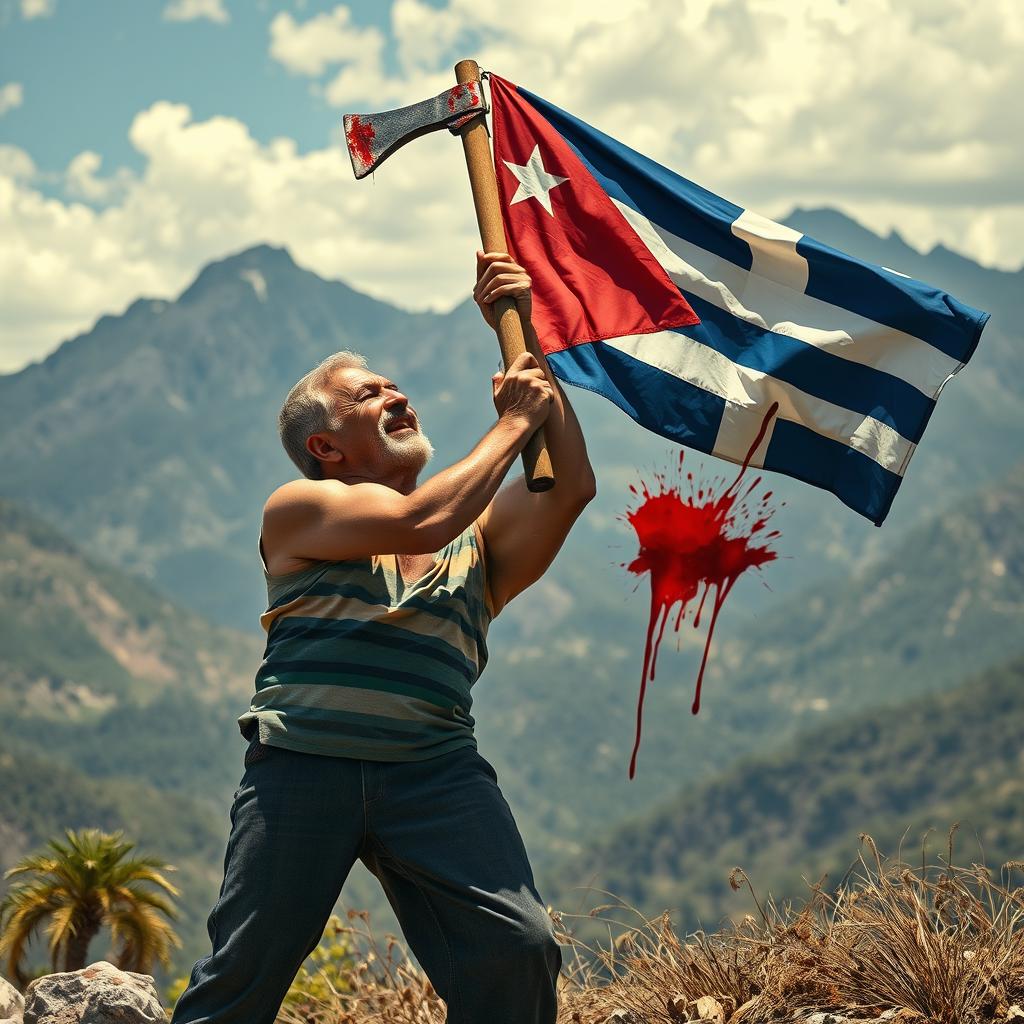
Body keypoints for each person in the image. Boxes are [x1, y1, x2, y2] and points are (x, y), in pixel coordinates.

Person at [170, 251, 597, 1024]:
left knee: (520, 949)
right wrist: (512, 421)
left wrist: (525, 337)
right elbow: (420, 517)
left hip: (437, 774)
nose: (397, 395)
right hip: (302, 766)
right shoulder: (298, 511)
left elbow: (569, 488)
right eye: (369, 396)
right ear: (325, 448)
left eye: (396, 387)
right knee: (245, 975)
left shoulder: (481, 548)